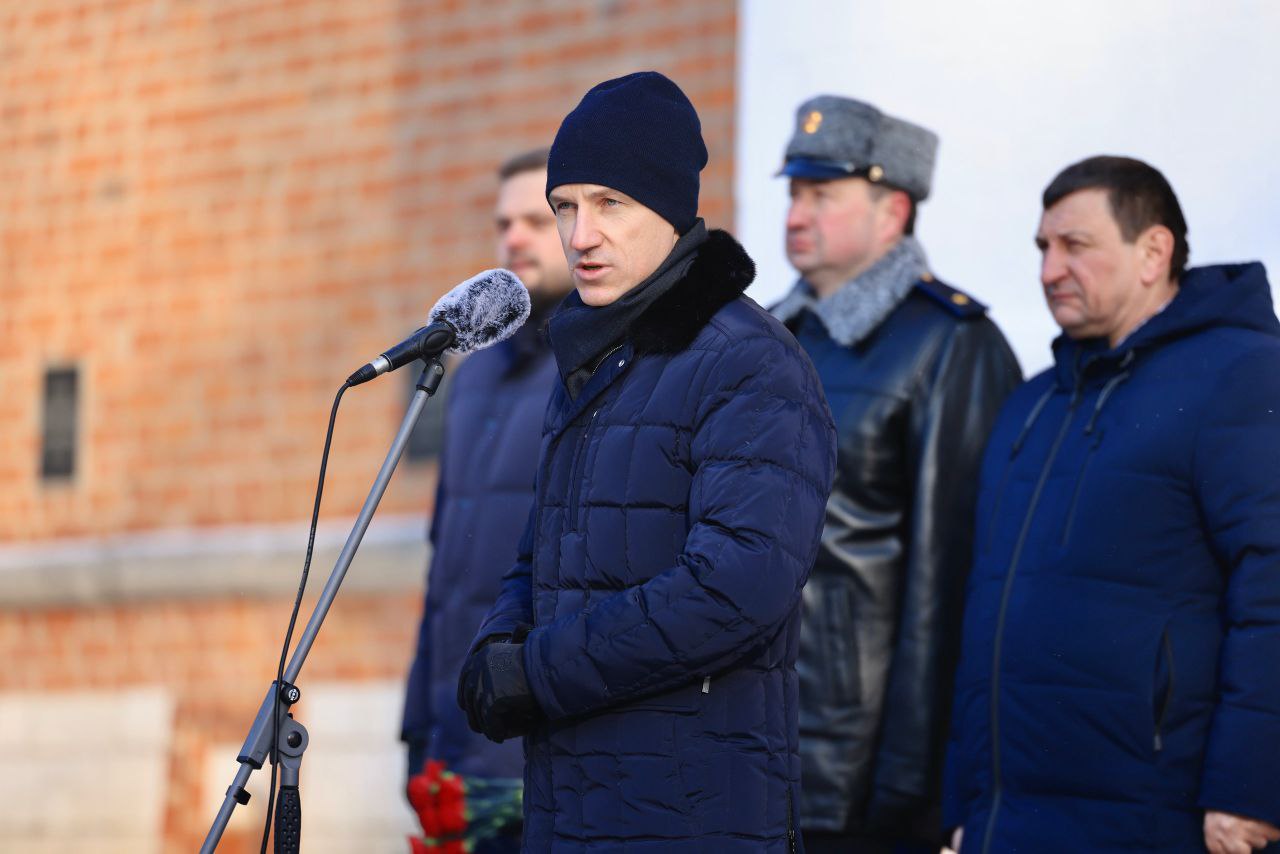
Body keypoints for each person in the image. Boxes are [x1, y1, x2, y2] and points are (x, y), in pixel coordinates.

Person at [456, 71, 837, 853]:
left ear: (669, 209)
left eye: (610, 204)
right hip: (571, 803)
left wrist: (538, 672)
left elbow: (736, 586)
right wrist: (497, 643)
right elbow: (539, 554)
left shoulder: (748, 361)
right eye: (566, 207)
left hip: (692, 812)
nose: (580, 235)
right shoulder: (594, 357)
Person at [944, 155, 1280, 854]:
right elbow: (986, 617)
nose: (1050, 270)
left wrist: (1250, 788)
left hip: (1160, 818)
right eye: (1043, 247)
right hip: (1009, 819)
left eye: (1076, 245)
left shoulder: (1244, 375)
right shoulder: (1032, 404)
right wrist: (965, 800)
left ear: (1153, 252)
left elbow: (1271, 585)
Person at [768, 95, 1021, 853]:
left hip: (857, 769)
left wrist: (914, 782)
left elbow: (949, 582)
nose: (796, 214)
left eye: (822, 194)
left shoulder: (951, 343)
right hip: (746, 746)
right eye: (794, 192)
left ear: (894, 210)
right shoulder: (766, 338)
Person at [400, 147, 573, 853]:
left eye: (538, 220)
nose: (515, 238)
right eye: (505, 224)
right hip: (454, 749)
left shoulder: (598, 370)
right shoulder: (469, 377)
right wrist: (417, 730)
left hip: (541, 752)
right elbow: (444, 571)